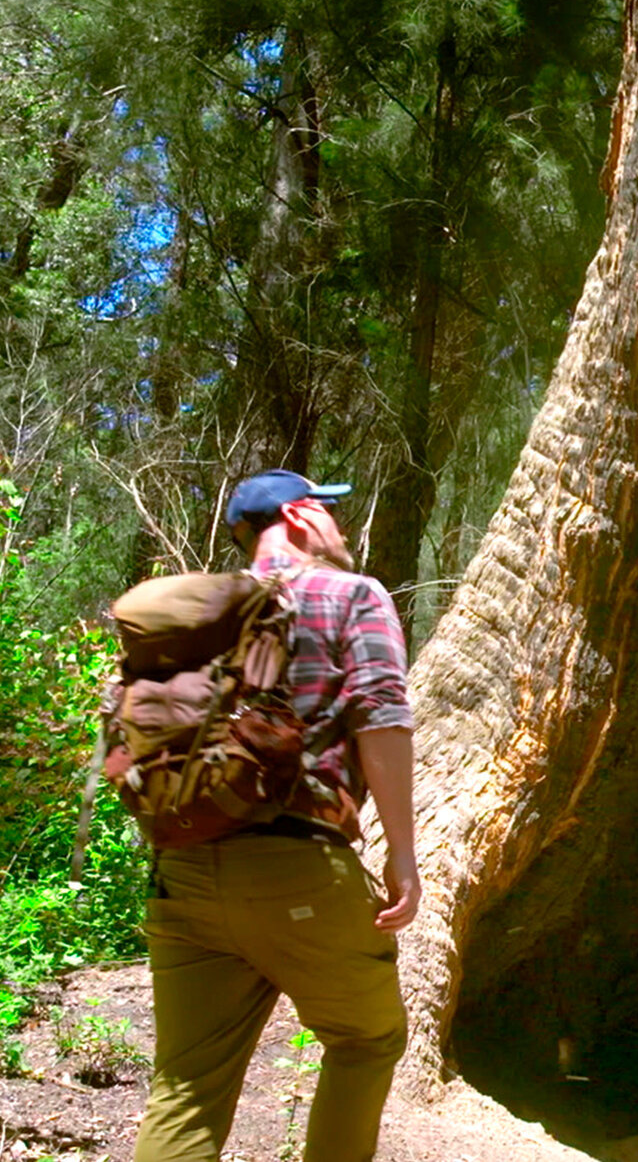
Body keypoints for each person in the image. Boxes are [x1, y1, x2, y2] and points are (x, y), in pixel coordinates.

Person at [132, 469, 421, 1162]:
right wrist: (402, 854)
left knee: (187, 1085)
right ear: (297, 516)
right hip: (299, 866)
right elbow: (381, 716)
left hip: (184, 869)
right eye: (330, 511)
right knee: (366, 1039)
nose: (340, 528)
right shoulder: (352, 594)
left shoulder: (200, 611)